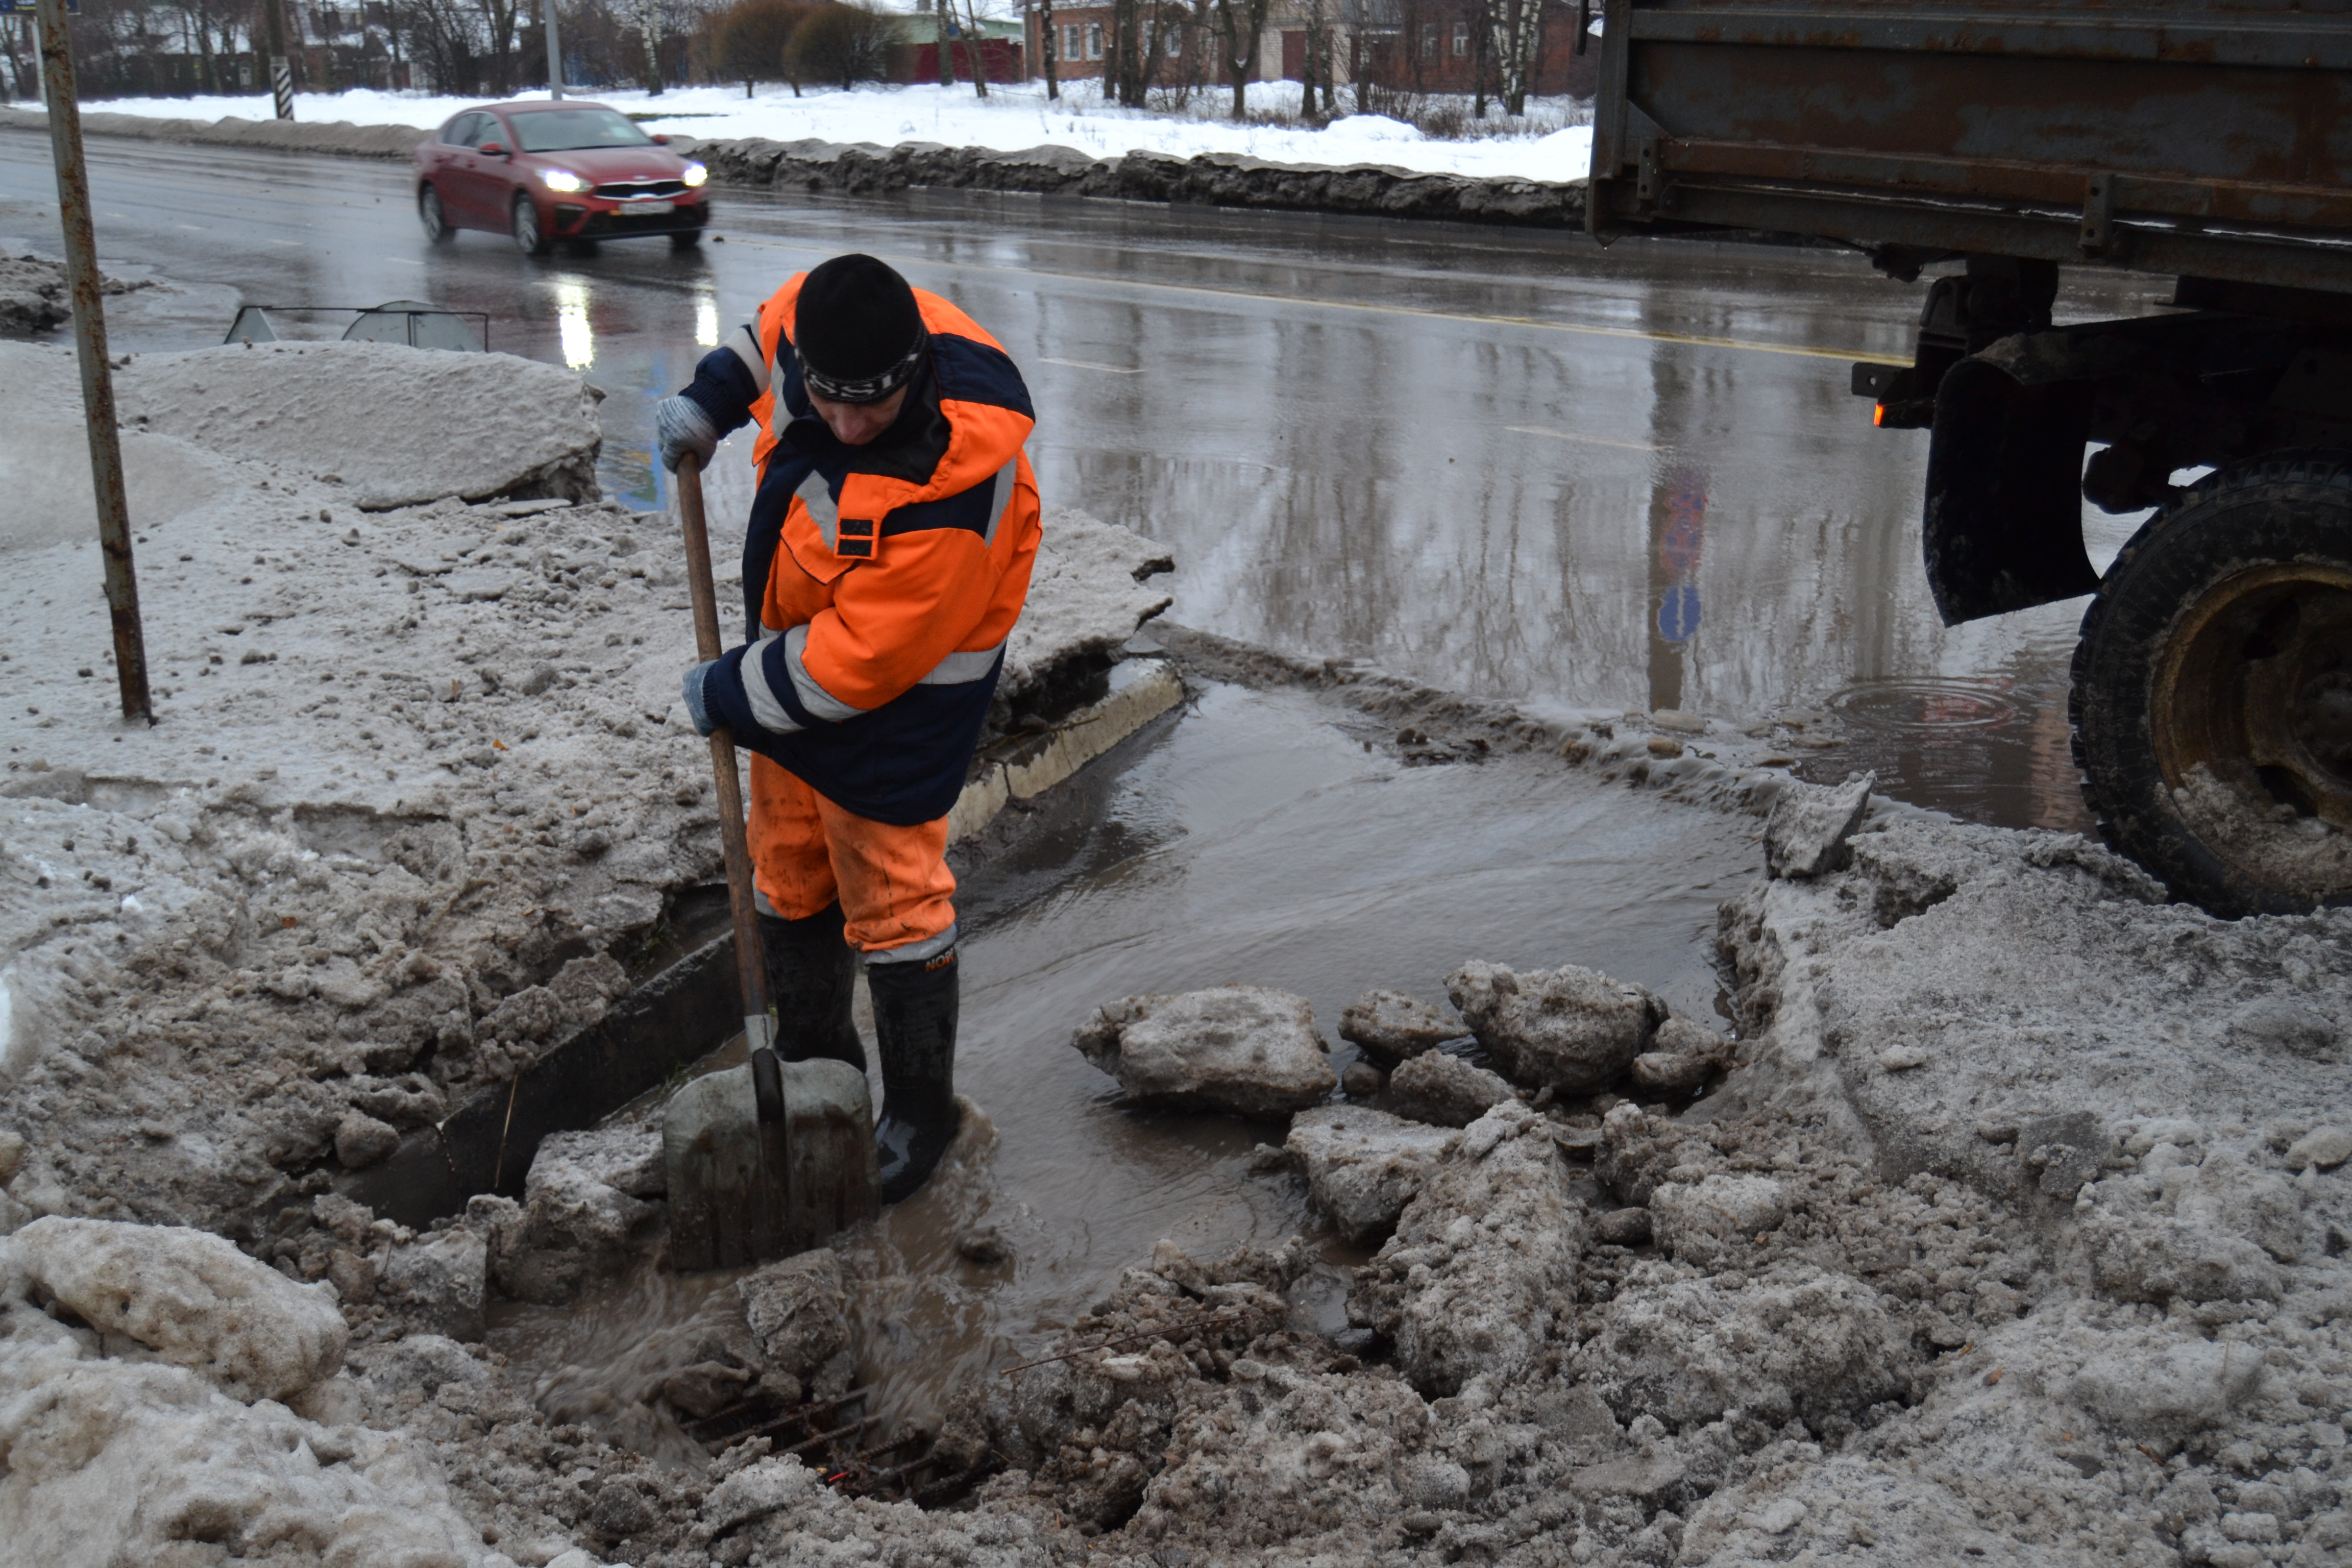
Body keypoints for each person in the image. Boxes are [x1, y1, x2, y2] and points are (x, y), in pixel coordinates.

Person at [655, 254, 1041, 1203]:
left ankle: (919, 1113)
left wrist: (731, 693)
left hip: (899, 707)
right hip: (798, 655)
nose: (845, 424)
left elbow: (858, 663)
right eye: (826, 401)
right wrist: (712, 398)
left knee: (893, 899)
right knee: (785, 864)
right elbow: (766, 334)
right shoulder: (824, 328)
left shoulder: (953, 492)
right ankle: (816, 1060)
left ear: (911, 374)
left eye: (869, 407)